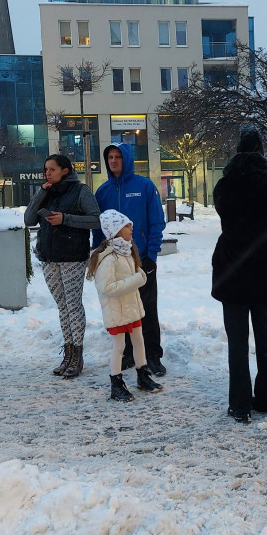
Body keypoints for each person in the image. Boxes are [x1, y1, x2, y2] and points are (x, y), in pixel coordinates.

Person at [212, 125, 267, 424]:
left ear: (238, 149)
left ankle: (239, 405)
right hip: (264, 275)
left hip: (231, 273)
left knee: (237, 343)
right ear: (262, 152)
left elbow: (226, 219)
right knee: (266, 340)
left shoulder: (224, 187)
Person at [92, 142, 167, 376]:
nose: (113, 161)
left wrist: (151, 255)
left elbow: (156, 222)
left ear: (127, 159)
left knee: (147, 308)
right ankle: (126, 354)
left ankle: (152, 355)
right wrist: (97, 255)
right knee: (121, 309)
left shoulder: (144, 186)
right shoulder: (102, 192)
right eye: (110, 157)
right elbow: (98, 229)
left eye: (118, 157)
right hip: (115, 263)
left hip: (140, 258)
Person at [24, 154, 100, 378]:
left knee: (73, 306)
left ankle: (78, 354)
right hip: (49, 258)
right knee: (62, 307)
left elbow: (95, 219)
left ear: (65, 170)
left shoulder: (81, 191)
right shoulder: (46, 193)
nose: (47, 173)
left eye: (52, 169)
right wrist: (41, 192)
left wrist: (65, 219)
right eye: (45, 169)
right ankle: (67, 352)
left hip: (72, 258)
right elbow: (29, 219)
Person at [86, 209, 163, 402]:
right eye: (126, 226)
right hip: (117, 311)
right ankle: (116, 383)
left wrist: (139, 277)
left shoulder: (128, 251)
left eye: (130, 225)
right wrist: (137, 280)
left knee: (139, 341)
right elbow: (107, 288)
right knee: (119, 346)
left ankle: (142, 374)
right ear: (115, 230)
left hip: (131, 308)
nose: (131, 228)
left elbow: (137, 274)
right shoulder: (108, 258)